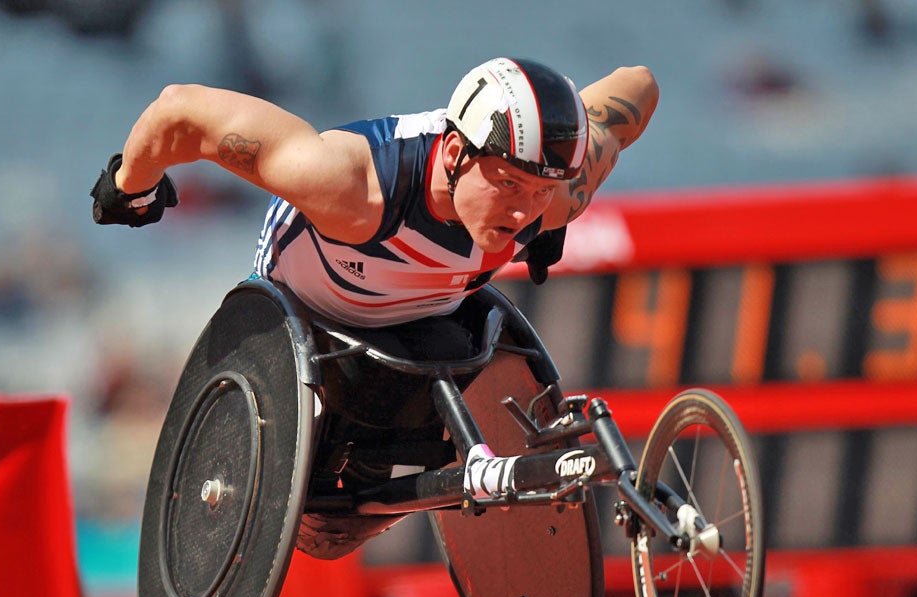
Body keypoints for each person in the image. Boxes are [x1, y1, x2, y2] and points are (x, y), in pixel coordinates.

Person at [90, 56, 658, 557]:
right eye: (508, 185)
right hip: (310, 316)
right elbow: (181, 111)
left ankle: (370, 464)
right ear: (456, 153)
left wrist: (547, 205)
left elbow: (638, 85)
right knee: (319, 499)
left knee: (340, 525)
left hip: (420, 325)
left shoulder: (554, 198)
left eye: (537, 191)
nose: (521, 211)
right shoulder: (348, 186)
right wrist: (131, 184)